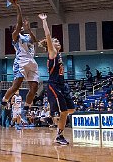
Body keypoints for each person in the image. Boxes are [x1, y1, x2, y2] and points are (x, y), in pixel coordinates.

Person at [38, 13, 75, 145]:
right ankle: (59, 135)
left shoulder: (59, 55)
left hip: (62, 85)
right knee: (64, 111)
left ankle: (54, 117)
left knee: (71, 110)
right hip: (54, 85)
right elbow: (47, 35)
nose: (58, 42)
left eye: (58, 41)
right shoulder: (52, 53)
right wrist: (44, 21)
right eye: (55, 41)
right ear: (50, 45)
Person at [0, 3, 39, 123]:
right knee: (16, 86)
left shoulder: (26, 35)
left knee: (34, 88)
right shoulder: (15, 36)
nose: (19, 26)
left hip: (31, 62)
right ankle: (4, 101)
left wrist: (29, 30)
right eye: (17, 26)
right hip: (20, 61)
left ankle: (25, 109)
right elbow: (20, 23)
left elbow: (35, 41)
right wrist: (18, 8)